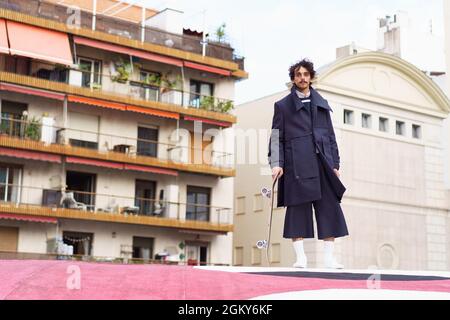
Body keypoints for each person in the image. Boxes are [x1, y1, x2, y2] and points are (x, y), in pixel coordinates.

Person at [268, 59, 349, 269]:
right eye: (298, 74)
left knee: (330, 209)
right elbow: (276, 137)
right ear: (293, 79)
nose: (302, 77)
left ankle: (329, 259)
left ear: (310, 77)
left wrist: (335, 164)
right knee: (297, 210)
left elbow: (330, 137)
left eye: (306, 74)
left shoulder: (321, 103)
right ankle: (301, 258)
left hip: (323, 164)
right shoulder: (283, 106)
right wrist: (277, 164)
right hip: (296, 165)